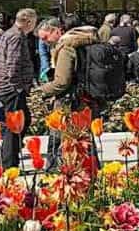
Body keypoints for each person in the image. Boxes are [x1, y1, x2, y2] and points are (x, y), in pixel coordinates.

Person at [38, 26, 100, 171]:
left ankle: (58, 171)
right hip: (87, 99)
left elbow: (62, 82)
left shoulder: (67, 48)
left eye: (46, 37)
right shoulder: (88, 44)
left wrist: (42, 90)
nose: (45, 42)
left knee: (61, 139)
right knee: (84, 139)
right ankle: (91, 171)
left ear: (57, 31)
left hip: (69, 101)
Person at [0, 8, 38, 169]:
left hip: (7, 87)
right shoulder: (16, 37)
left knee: (23, 120)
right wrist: (18, 87)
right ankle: (9, 162)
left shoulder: (11, 34)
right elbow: (12, 64)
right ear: (29, 21)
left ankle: (3, 154)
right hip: (11, 89)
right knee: (16, 125)